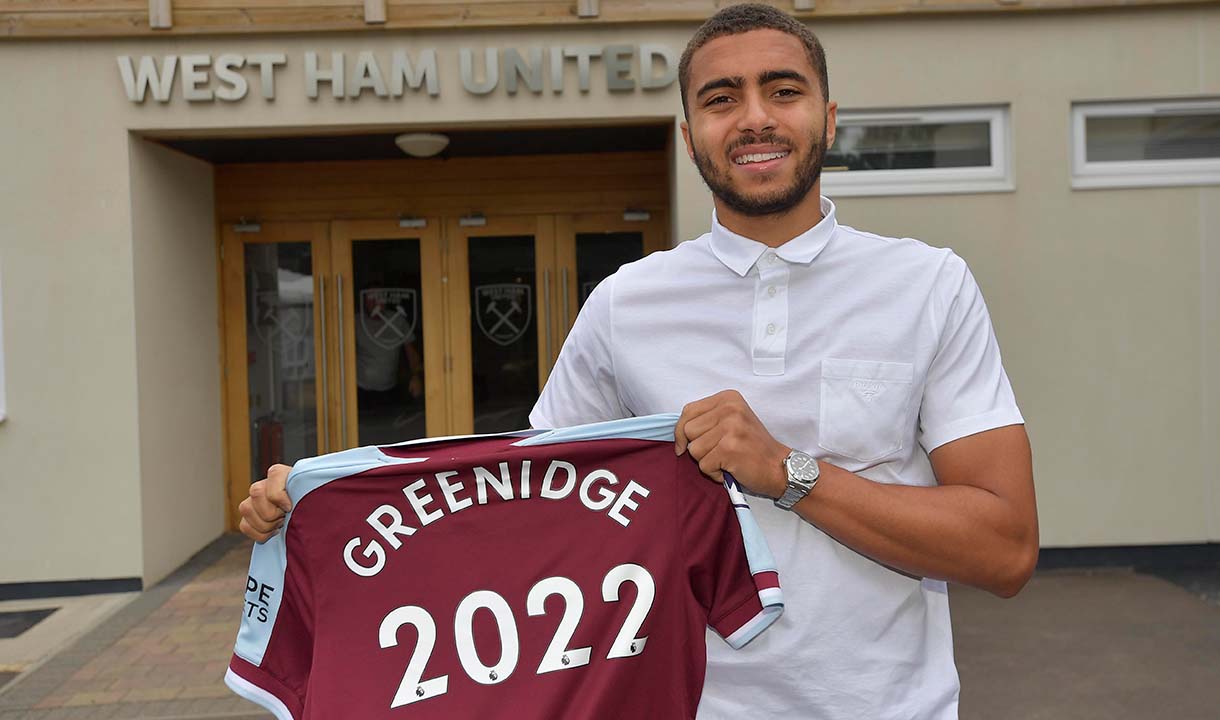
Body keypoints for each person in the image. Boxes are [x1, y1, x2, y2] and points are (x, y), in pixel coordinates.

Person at [240, 5, 1038, 718]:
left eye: (783, 91)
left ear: (828, 120)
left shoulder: (927, 283)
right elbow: (518, 507)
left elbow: (1005, 550)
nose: (754, 118)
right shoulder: (626, 303)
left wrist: (787, 471)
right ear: (690, 137)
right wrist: (317, 509)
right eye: (721, 100)